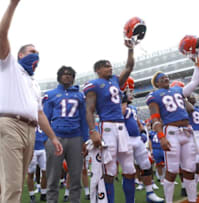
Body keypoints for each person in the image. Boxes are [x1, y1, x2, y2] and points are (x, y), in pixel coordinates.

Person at [0, 1, 63, 202]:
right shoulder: (10, 66)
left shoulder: (34, 84)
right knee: (13, 185)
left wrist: (53, 137)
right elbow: (1, 34)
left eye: (37, 52)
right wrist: (13, 5)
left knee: (16, 184)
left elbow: (40, 113)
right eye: (32, 51)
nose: (36, 55)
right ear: (20, 54)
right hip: (10, 124)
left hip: (30, 130)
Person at [146, 42, 199, 202]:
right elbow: (155, 118)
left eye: (166, 76)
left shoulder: (178, 90)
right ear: (156, 83)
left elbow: (194, 82)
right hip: (171, 133)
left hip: (187, 131)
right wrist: (161, 136)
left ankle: (192, 200)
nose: (165, 78)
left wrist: (197, 63)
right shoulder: (154, 95)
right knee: (171, 170)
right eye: (161, 77)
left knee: (190, 169)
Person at [84, 40, 136, 203]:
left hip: (122, 127)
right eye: (106, 66)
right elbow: (89, 110)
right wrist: (93, 131)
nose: (110, 68)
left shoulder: (115, 80)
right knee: (109, 171)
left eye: (110, 65)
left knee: (129, 169)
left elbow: (129, 67)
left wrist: (130, 49)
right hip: (107, 127)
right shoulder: (94, 85)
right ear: (98, 70)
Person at [43, 65, 88, 203]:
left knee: (75, 177)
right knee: (53, 177)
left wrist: (85, 140)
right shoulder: (50, 95)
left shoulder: (80, 95)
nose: (67, 76)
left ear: (73, 78)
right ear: (59, 77)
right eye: (64, 73)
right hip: (56, 138)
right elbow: (45, 118)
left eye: (70, 74)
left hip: (75, 138)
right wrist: (46, 139)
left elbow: (84, 119)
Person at [121, 77, 164, 203]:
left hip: (137, 139)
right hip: (125, 139)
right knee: (129, 170)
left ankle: (150, 192)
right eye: (129, 92)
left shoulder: (133, 108)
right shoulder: (118, 106)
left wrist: (143, 132)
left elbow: (138, 123)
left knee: (146, 165)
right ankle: (130, 200)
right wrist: (122, 98)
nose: (131, 94)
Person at [27, 126, 47, 203]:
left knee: (45, 172)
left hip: (42, 149)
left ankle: (43, 194)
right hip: (32, 149)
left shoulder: (42, 117)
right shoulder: (28, 118)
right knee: (30, 173)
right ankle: (32, 195)